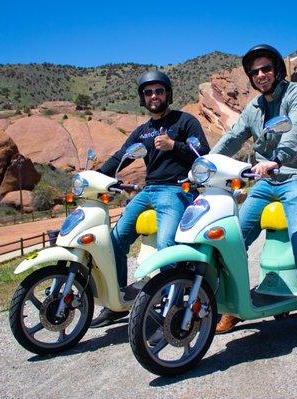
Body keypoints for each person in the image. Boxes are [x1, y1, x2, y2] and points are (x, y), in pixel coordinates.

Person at [210, 44, 297, 366]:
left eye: (266, 68)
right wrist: (207, 163)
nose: (261, 75)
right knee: (231, 238)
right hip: (267, 182)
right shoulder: (253, 109)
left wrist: (277, 159)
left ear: (276, 69)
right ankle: (236, 306)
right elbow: (233, 138)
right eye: (254, 72)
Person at [91, 71, 210, 327]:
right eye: (148, 92)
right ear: (142, 98)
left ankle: (173, 304)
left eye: (158, 91)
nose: (154, 96)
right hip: (148, 190)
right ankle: (118, 301)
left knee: (167, 245)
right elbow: (121, 156)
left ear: (168, 93)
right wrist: (96, 177)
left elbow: (203, 154)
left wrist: (174, 145)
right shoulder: (142, 132)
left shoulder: (185, 121)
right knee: (115, 241)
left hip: (177, 189)